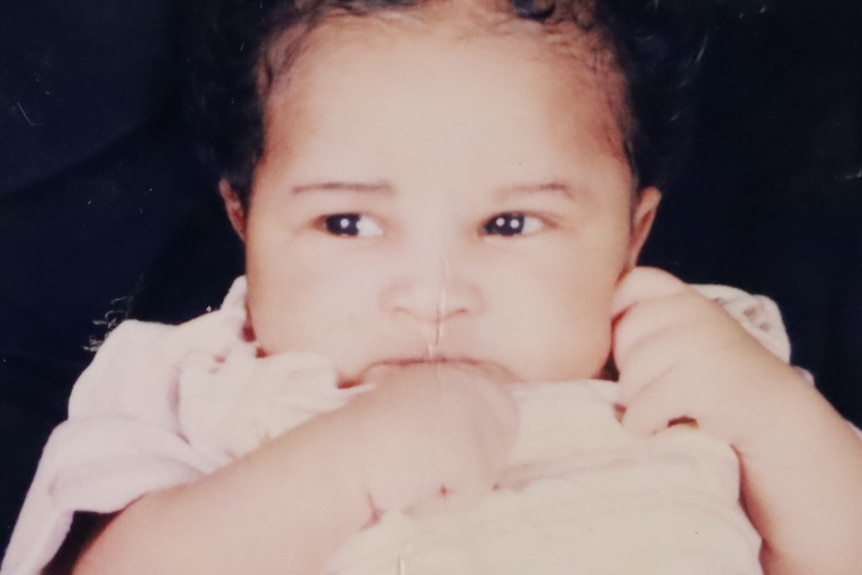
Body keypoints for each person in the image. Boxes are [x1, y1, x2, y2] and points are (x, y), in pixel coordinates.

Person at [4, 0, 862, 573]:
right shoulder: (196, 381)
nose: (433, 294)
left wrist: (776, 416)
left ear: (632, 232)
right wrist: (345, 466)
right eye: (348, 224)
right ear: (243, 217)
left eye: (511, 224)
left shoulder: (697, 364)